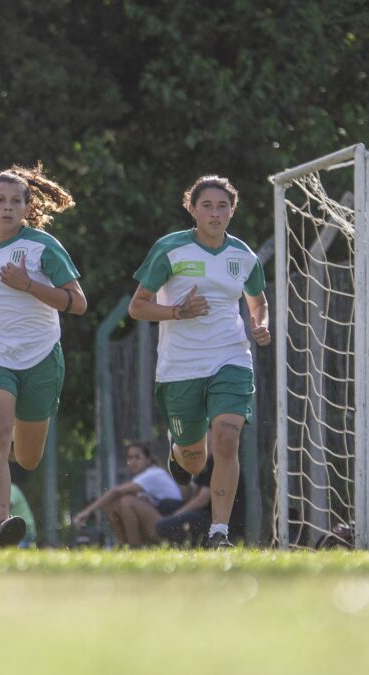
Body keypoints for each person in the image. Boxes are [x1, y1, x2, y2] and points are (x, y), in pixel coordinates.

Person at [128, 175, 269, 549]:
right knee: (192, 462)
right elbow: (137, 306)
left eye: (223, 206)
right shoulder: (169, 249)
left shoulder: (244, 256)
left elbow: (258, 302)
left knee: (226, 437)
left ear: (232, 210)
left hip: (231, 356)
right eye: (206, 205)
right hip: (181, 367)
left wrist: (260, 325)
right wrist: (178, 311)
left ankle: (219, 532)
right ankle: (180, 452)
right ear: (191, 208)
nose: (215, 213)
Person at [0, 164, 87, 547]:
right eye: (0, 200)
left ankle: (9, 492)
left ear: (27, 207)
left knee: (27, 457)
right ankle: (3, 522)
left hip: (40, 356)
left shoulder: (43, 246)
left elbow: (78, 303)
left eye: (15, 201)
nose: (7, 207)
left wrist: (28, 285)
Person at [72, 441, 184, 547]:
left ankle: (133, 547)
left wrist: (87, 512)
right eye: (130, 457)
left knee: (127, 501)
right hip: (158, 523)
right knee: (112, 503)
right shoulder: (141, 478)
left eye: (137, 457)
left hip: (171, 529)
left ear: (148, 460)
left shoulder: (153, 474)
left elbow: (115, 491)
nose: (133, 461)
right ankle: (124, 545)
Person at [156, 455, 246, 547]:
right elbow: (189, 495)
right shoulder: (204, 461)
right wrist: (181, 471)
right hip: (204, 511)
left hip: (216, 518)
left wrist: (176, 515)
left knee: (162, 526)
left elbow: (202, 500)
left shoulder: (216, 460)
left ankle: (192, 545)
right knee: (165, 505)